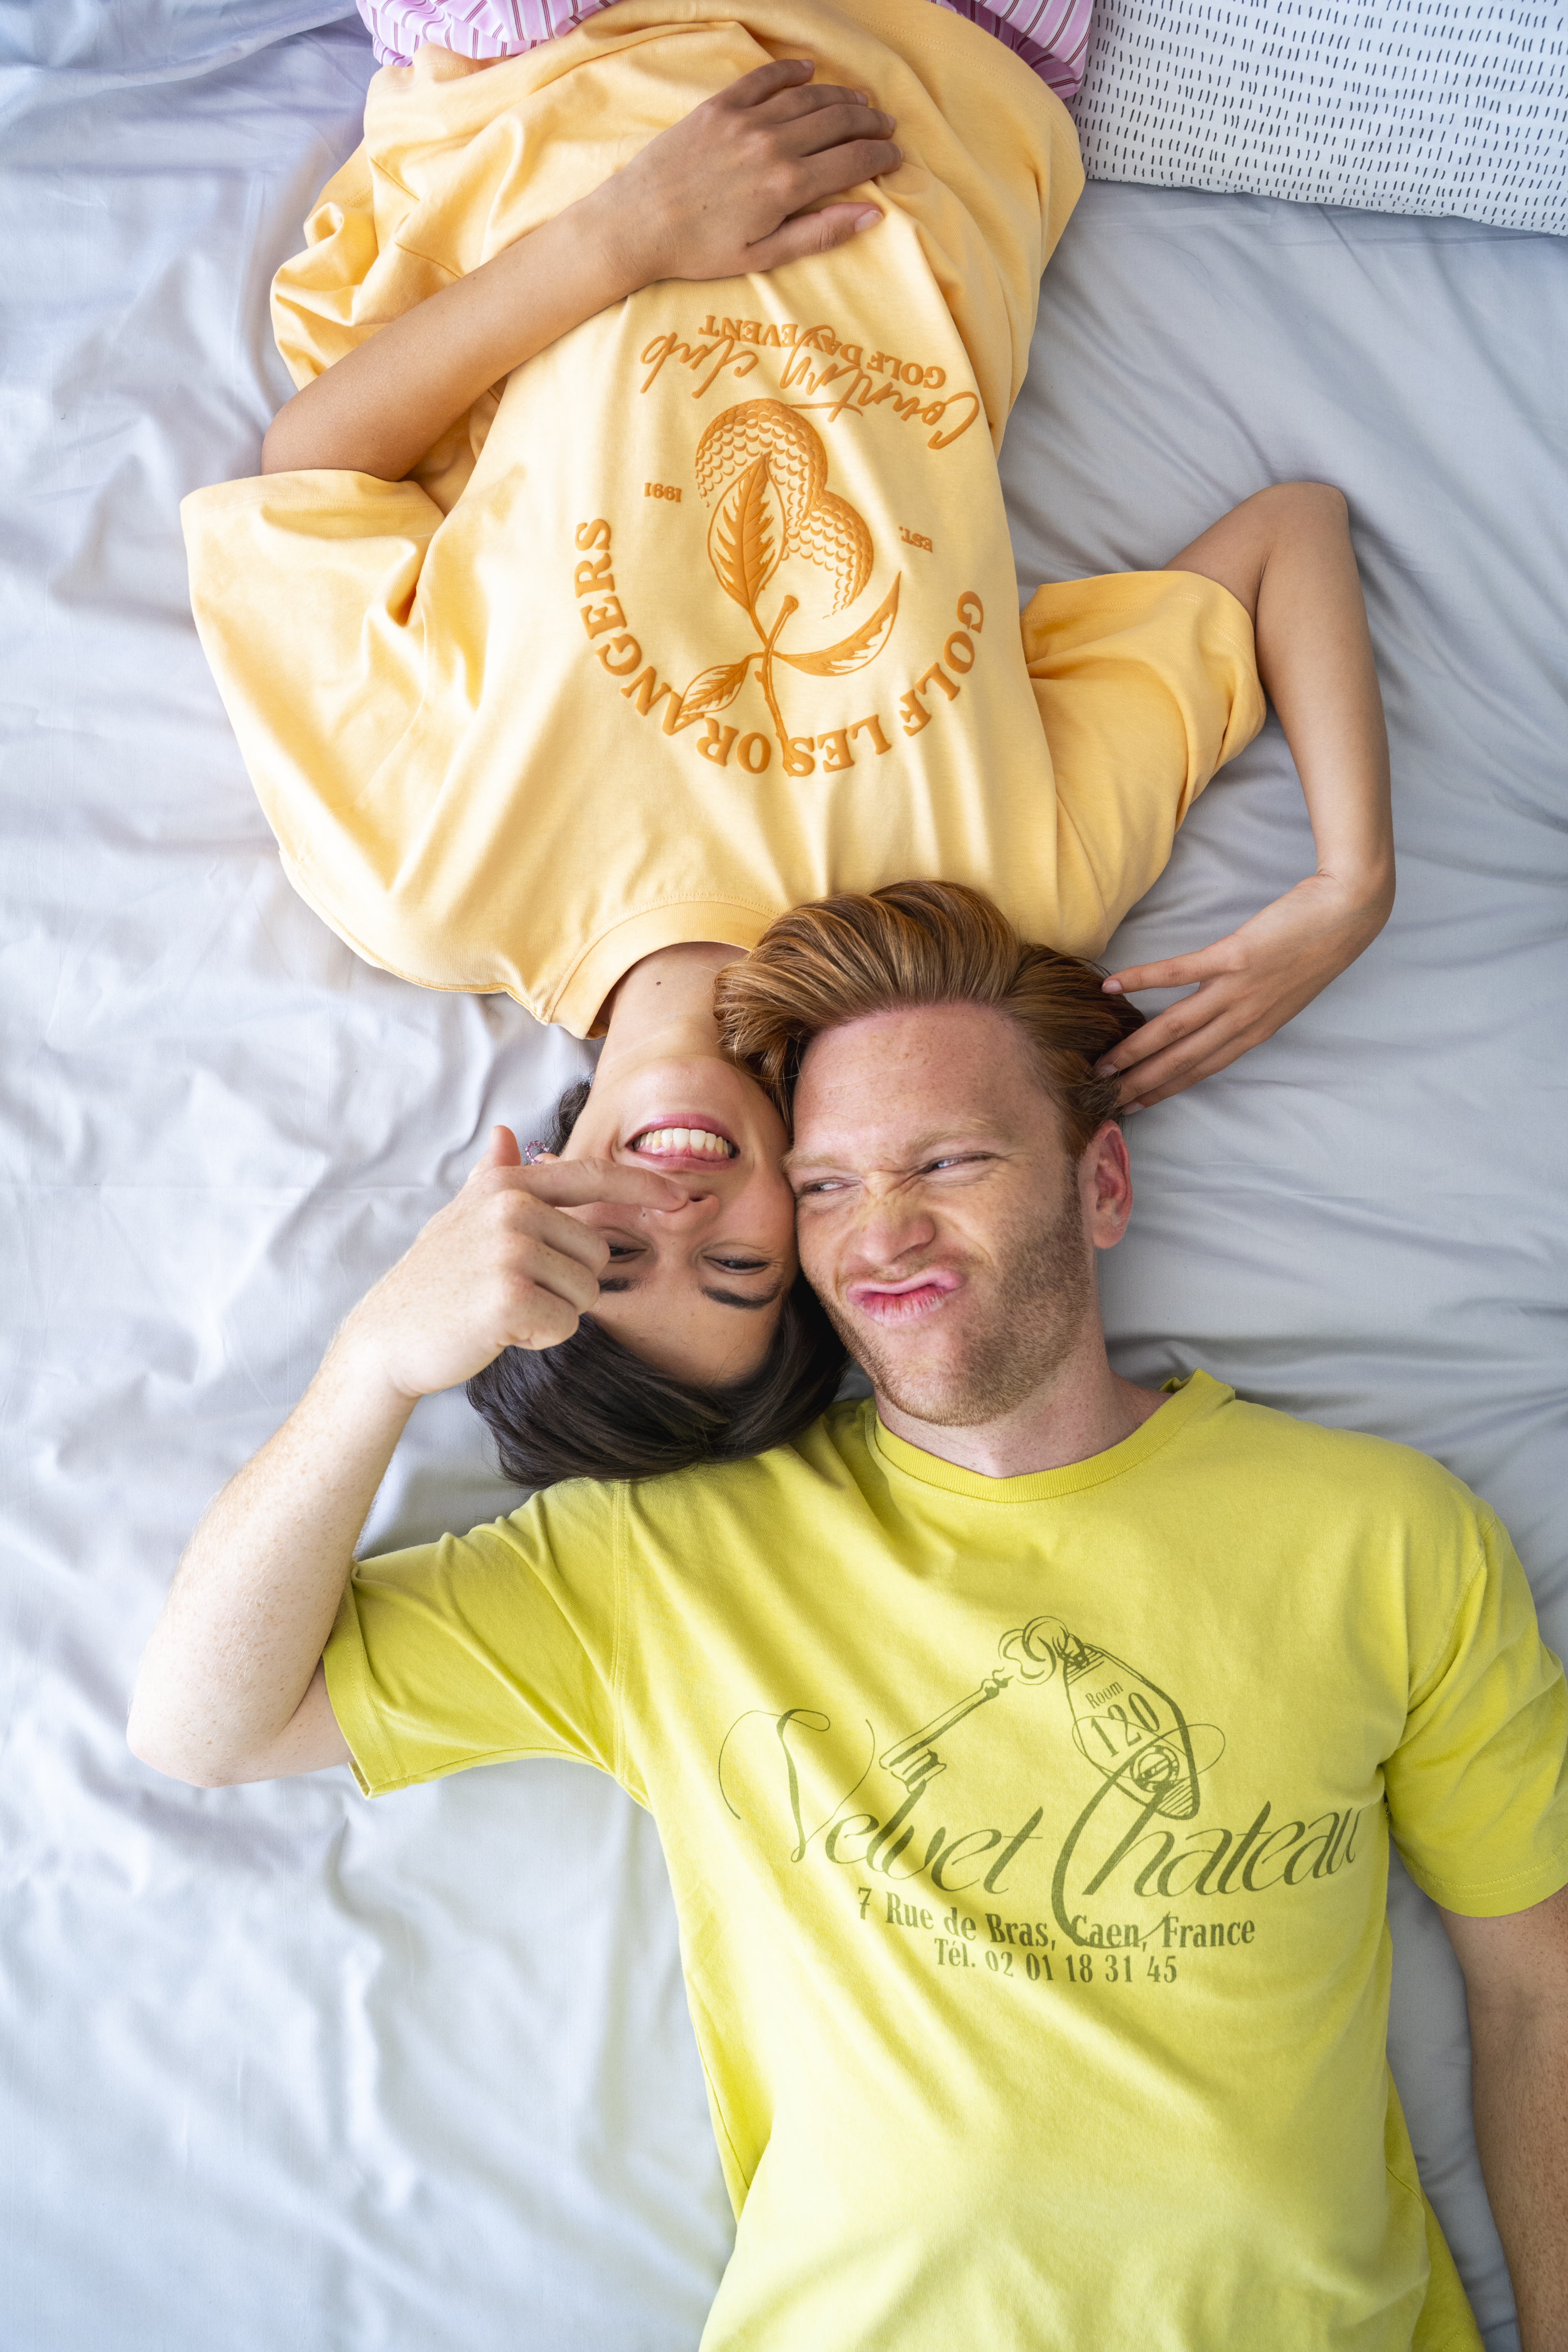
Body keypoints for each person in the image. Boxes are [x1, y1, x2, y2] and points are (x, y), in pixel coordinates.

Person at [130, 880, 1568, 2350]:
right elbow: (204, 1724)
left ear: (1101, 1186)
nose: (884, 1234)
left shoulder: (1389, 1536)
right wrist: (376, 1363)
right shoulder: (668, 1564)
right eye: (821, 1188)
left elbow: (1532, 1991)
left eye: (948, 1160)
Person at [181, 0, 1393, 1471]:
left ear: (533, 1201)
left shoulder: (428, 887)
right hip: (951, 68)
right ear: (807, 1221)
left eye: (612, 1264)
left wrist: (624, 235)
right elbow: (1287, 541)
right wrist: (1348, 889)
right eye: (740, 1272)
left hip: (546, 74)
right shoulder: (987, 905)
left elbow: (311, 473)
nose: (677, 1223)